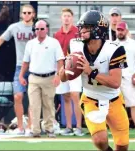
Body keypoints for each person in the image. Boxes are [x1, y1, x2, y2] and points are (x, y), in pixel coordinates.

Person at [59, 10, 129, 151]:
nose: (82, 31)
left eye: (87, 28)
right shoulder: (75, 45)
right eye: (82, 27)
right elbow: (62, 77)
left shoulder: (115, 49)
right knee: (99, 140)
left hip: (113, 100)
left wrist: (90, 72)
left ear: (98, 29)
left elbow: (115, 83)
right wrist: (67, 69)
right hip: (91, 100)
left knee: (122, 146)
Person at [0, 4, 36, 135]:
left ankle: (30, 127)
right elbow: (0, 40)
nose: (27, 15)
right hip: (20, 66)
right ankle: (20, 127)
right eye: (24, 13)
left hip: (36, 67)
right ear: (21, 14)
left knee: (33, 98)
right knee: (17, 96)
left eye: (29, 13)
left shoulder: (38, 27)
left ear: (33, 14)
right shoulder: (14, 27)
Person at [19, 20, 64, 137]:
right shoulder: (30, 44)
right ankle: (35, 130)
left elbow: (60, 61)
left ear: (47, 29)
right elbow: (25, 62)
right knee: (34, 104)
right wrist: (20, 75)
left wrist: (58, 75)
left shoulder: (54, 43)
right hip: (33, 77)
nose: (39, 31)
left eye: (42, 29)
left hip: (49, 77)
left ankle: (49, 129)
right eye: (37, 29)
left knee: (48, 104)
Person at [54, 8, 84, 136]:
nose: (66, 18)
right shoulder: (57, 35)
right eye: (64, 16)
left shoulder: (78, 33)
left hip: (75, 68)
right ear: (61, 18)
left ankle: (78, 126)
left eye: (68, 16)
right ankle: (68, 126)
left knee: (75, 96)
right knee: (65, 97)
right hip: (62, 69)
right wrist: (58, 71)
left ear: (72, 18)